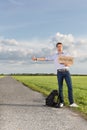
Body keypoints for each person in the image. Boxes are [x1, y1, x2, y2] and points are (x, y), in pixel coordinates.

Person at [32, 42, 78, 108]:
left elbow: (71, 63)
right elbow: (45, 58)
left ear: (62, 47)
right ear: (56, 48)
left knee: (70, 87)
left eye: (60, 46)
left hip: (66, 72)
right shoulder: (55, 56)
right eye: (58, 46)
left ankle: (72, 103)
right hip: (59, 73)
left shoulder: (66, 54)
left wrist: (68, 64)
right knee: (60, 88)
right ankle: (61, 102)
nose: (59, 48)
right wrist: (36, 59)